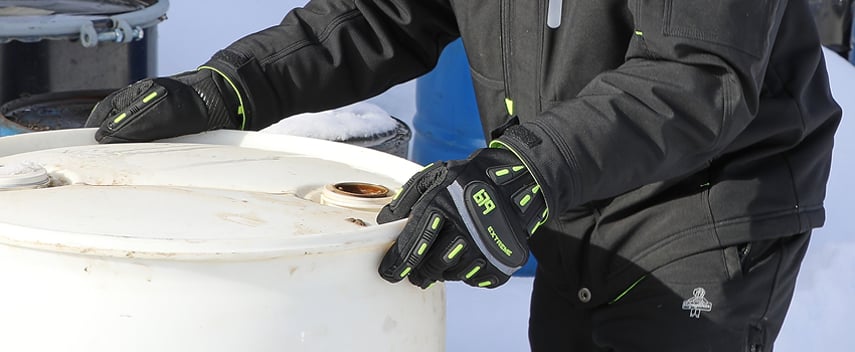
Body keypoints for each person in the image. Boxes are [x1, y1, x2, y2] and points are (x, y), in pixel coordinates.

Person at [85, 0, 842, 350]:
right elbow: (379, 14)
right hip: (572, 189)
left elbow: (695, 76)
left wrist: (521, 171)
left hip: (702, 204)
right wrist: (230, 86)